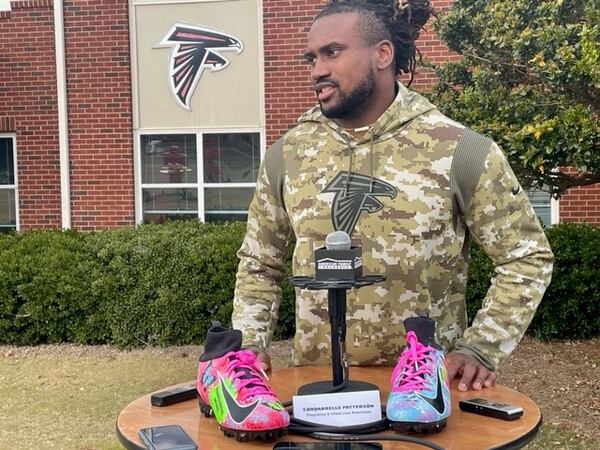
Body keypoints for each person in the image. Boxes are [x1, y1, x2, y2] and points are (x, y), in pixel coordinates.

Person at [231, 0, 554, 393]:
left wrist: (481, 347)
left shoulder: (461, 151)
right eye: (311, 58)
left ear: (382, 54)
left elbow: (526, 257)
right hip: (319, 394)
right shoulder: (287, 156)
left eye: (332, 52)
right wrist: (248, 345)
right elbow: (259, 263)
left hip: (424, 394)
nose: (318, 70)